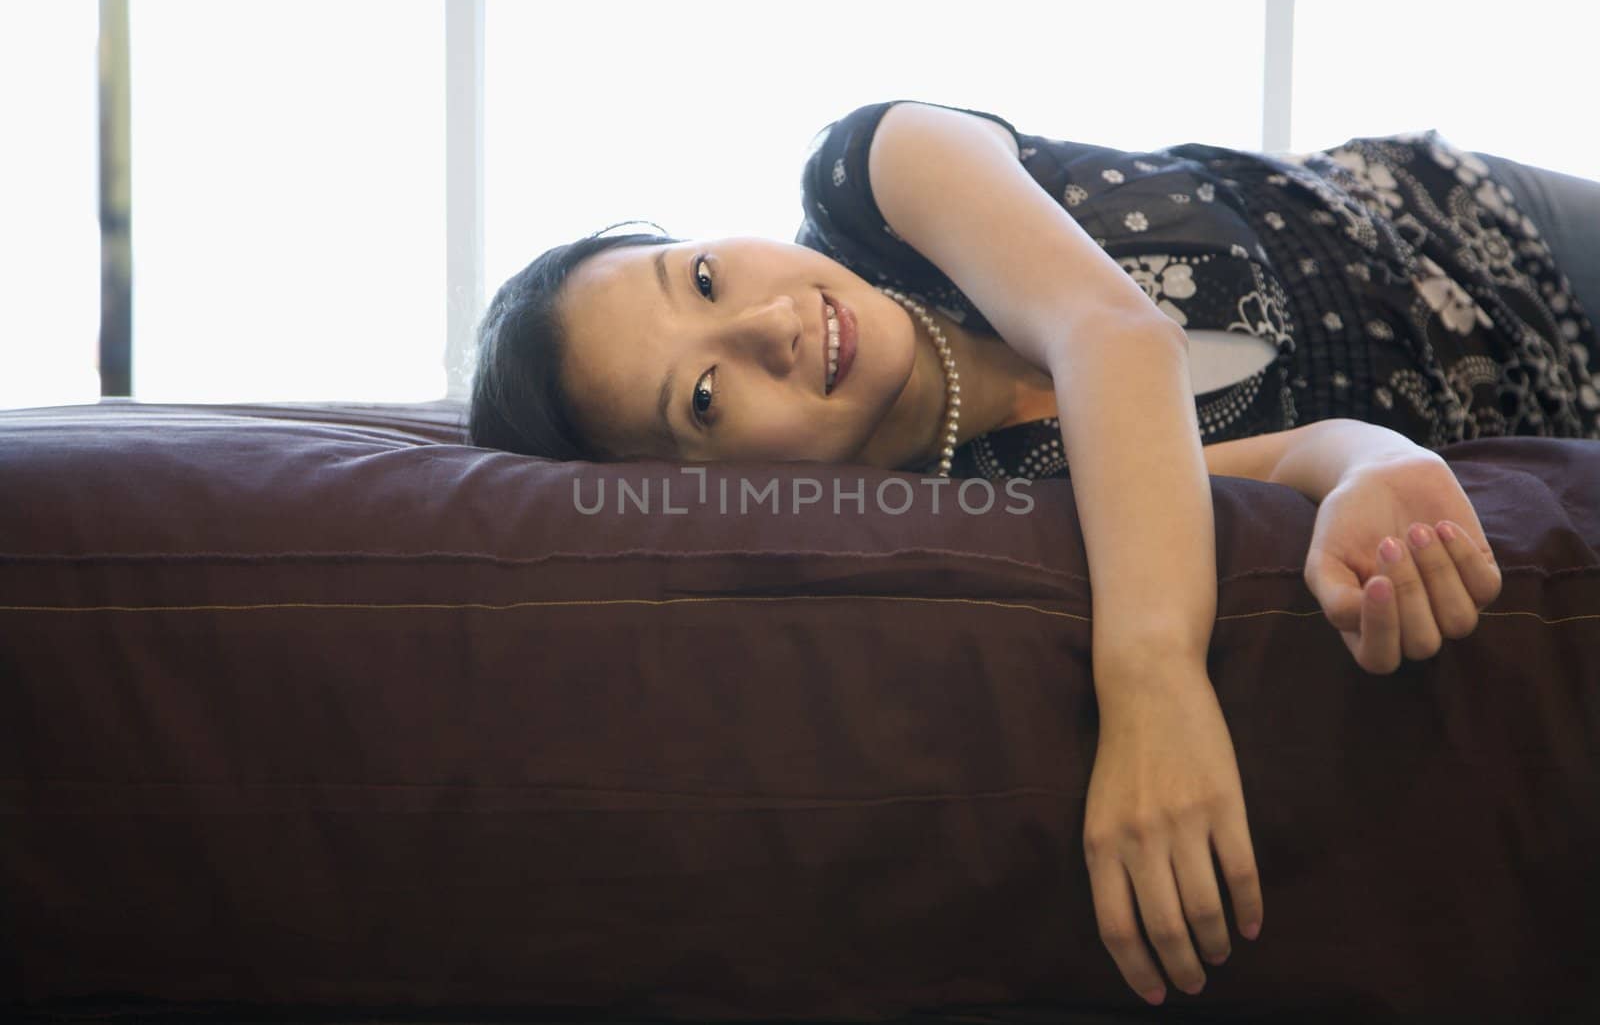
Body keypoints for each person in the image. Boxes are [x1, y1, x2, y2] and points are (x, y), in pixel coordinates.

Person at [463, 99, 1599, 1007]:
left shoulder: (880, 176)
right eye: (705, 395)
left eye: (704, 275)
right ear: (719, 490)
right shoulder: (977, 509)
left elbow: (1113, 333)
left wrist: (1152, 682)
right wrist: (1370, 464)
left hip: (1488, 226)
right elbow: (1296, 451)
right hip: (1546, 408)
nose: (766, 324)